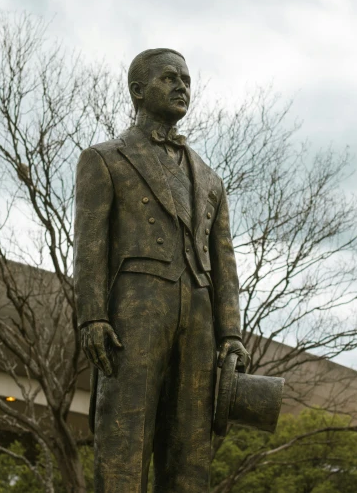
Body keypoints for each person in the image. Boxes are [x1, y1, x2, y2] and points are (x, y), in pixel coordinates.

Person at [74, 48, 250, 492]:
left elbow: (224, 262)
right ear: (137, 91)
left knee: (191, 447)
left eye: (187, 80)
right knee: (124, 438)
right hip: (134, 314)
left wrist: (231, 334)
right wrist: (92, 316)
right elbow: (89, 245)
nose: (181, 87)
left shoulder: (209, 178)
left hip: (199, 317)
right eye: (169, 78)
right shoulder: (105, 159)